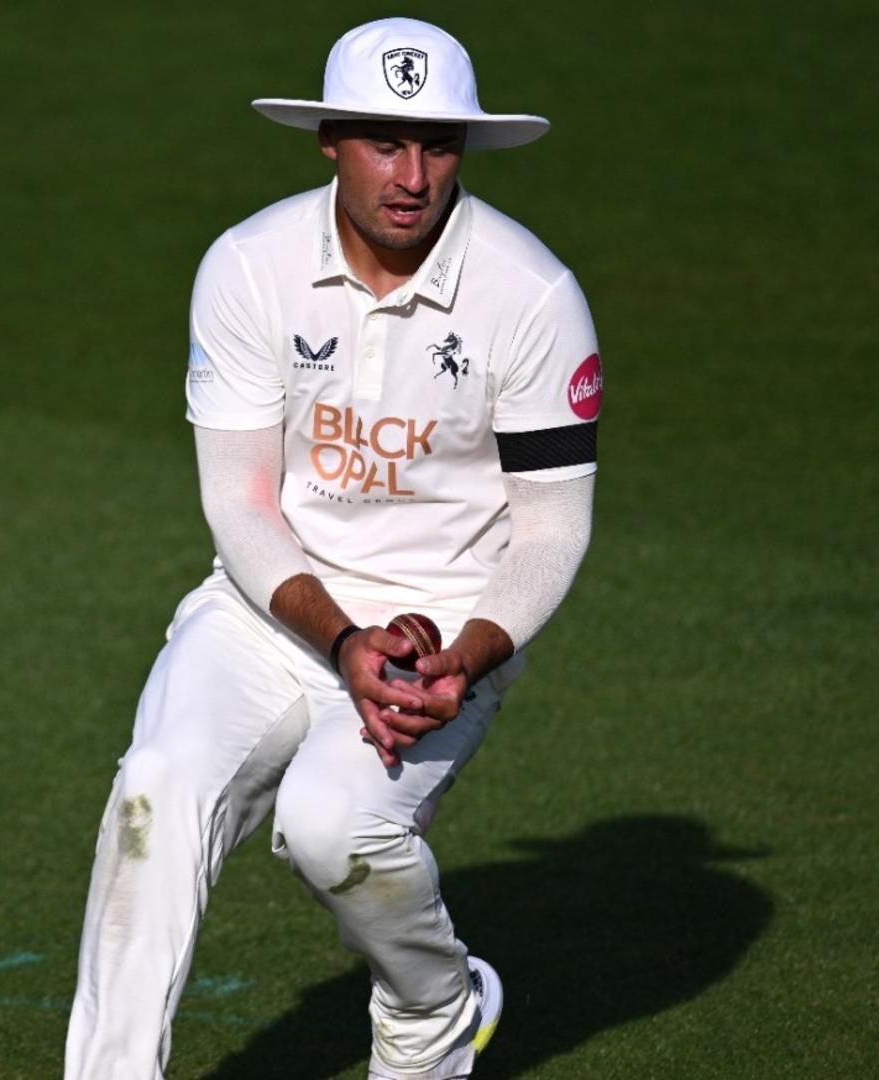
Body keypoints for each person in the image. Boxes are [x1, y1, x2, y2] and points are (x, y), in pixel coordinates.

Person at [65, 17, 601, 1079]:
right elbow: (240, 502)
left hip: (444, 624)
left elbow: (550, 528)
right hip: (278, 606)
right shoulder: (250, 267)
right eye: (382, 143)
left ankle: (434, 1010)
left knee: (330, 829)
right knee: (153, 791)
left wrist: (463, 653)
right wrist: (341, 636)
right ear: (329, 142)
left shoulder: (533, 297)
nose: (411, 176)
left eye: (437, 146)